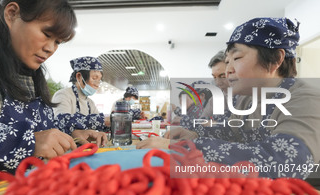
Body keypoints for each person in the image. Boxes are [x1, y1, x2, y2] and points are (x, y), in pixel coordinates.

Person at [137, 17, 320, 179]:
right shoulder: (244, 99)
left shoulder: (306, 100)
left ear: (275, 60)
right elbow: (228, 131)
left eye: (237, 57)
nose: (228, 70)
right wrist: (194, 134)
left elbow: (283, 161)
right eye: (227, 62)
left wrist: (183, 147)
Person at [0, 0, 106, 175]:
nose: (50, 49)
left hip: (30, 187)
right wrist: (26, 142)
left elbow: (41, 128)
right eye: (46, 34)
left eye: (57, 42)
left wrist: (72, 136)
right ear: (11, 14)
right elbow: (32, 138)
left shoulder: (30, 72)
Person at [52, 56, 110, 134]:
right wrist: (102, 120)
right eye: (94, 78)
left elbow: (99, 123)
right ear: (79, 77)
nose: (97, 85)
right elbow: (62, 121)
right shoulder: (63, 95)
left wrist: (110, 122)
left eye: (99, 80)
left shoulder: (90, 102)